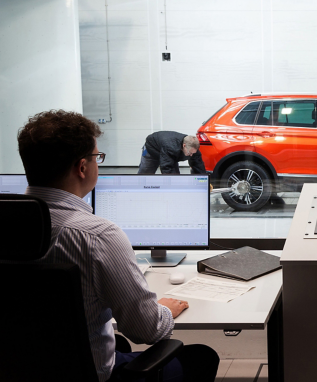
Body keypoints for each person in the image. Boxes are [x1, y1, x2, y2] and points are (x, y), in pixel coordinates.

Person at [17, 110, 219, 382]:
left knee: (118, 342)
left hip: (12, 367)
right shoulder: (97, 236)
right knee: (202, 356)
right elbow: (147, 331)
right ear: (82, 167)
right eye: (97, 157)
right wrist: (164, 311)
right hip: (91, 373)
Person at [138, 131, 206, 175]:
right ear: (184, 146)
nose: (191, 155)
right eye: (189, 153)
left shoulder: (192, 148)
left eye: (193, 153)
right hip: (152, 149)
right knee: (145, 174)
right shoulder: (171, 148)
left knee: (176, 176)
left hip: (168, 152)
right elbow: (166, 168)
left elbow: (198, 165)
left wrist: (204, 181)